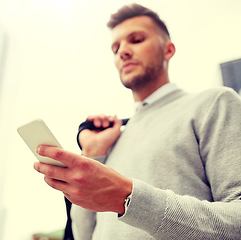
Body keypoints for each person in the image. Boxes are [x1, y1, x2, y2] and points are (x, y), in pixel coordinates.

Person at [33, 3, 241, 240]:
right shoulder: (111, 138)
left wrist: (127, 197)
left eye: (136, 39)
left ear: (168, 49)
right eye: (115, 48)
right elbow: (84, 235)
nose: (123, 51)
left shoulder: (214, 103)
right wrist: (95, 152)